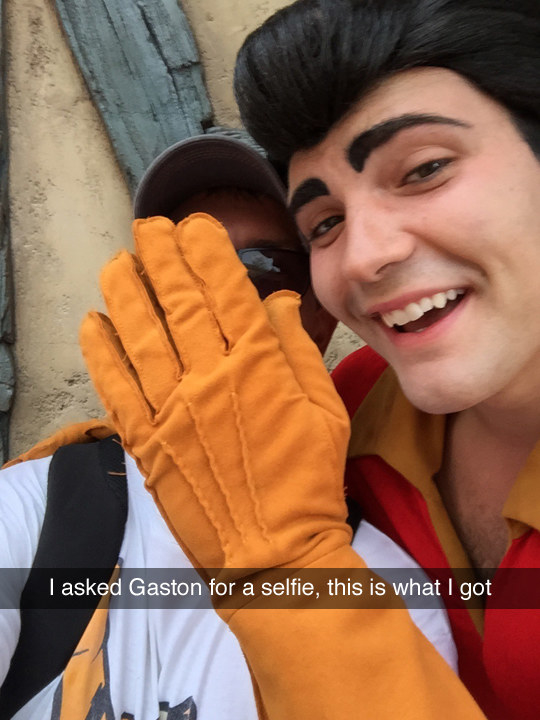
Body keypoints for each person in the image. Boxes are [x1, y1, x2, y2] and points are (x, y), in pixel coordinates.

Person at [80, 1, 540, 719]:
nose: (363, 257)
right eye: (324, 224)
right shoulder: (354, 409)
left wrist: (287, 576)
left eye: (424, 169)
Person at [0, 134, 340, 719]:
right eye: (182, 268)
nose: (216, 297)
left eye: (263, 267)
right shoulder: (37, 506)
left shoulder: (382, 553)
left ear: (321, 314)